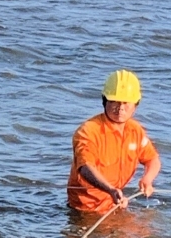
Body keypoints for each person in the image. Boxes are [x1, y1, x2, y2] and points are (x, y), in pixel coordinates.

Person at [67, 69, 161, 213]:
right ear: (104, 101)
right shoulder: (89, 131)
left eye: (126, 103)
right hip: (85, 209)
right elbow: (85, 167)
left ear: (136, 104)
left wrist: (147, 179)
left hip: (116, 204)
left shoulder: (135, 130)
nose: (120, 108)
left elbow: (152, 159)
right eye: (114, 102)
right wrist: (110, 189)